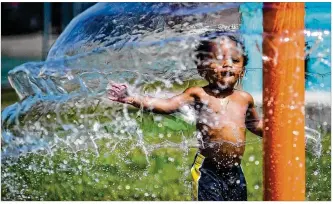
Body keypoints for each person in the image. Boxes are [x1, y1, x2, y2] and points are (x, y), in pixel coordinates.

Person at [107, 31, 263, 201]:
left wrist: (283, 129)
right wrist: (133, 98)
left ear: (242, 70)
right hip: (208, 171)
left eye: (235, 60)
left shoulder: (244, 98)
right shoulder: (199, 94)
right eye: (219, 59)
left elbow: (256, 125)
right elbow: (167, 106)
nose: (227, 64)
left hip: (235, 171)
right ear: (202, 67)